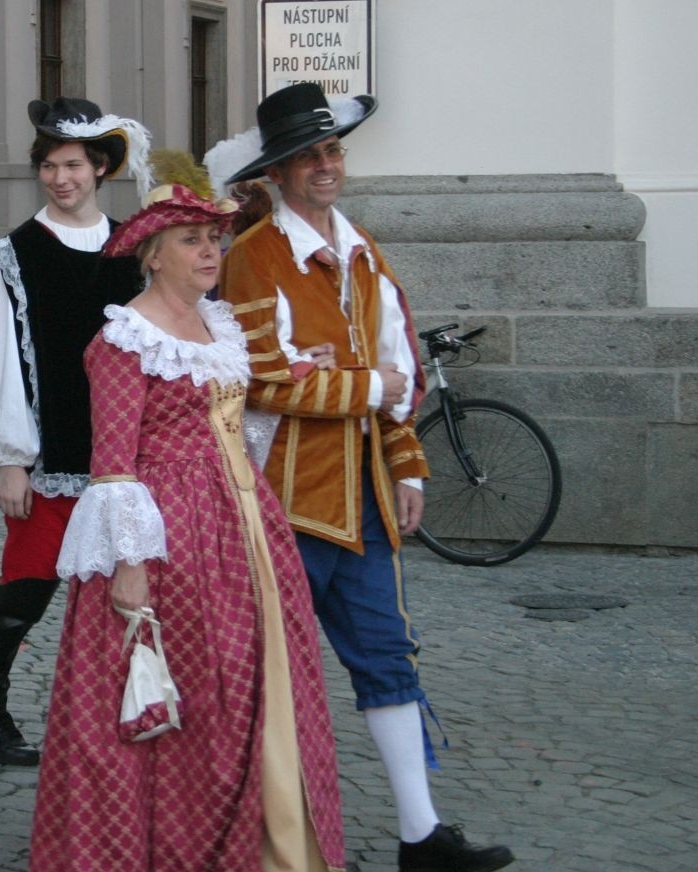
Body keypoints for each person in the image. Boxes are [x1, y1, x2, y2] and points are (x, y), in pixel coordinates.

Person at [218, 82, 514, 872]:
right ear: (278, 172)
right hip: (283, 503)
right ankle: (272, 841)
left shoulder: (364, 250)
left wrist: (408, 466)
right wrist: (366, 387)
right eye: (308, 155)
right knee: (271, 675)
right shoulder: (253, 257)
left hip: (367, 503)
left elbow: (399, 372)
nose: (326, 165)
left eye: (333, 150)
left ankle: (421, 836)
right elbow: (264, 382)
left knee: (387, 656)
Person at [30, 150, 344, 871]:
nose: (210, 252)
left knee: (251, 679)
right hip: (170, 538)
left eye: (215, 239)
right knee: (193, 692)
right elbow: (113, 464)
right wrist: (130, 569)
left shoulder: (216, 324)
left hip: (242, 524)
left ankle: (265, 841)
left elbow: (230, 411)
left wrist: (301, 368)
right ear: (152, 254)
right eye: (191, 240)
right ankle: (175, 848)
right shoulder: (124, 341)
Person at [0, 97, 148, 766]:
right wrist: (12, 458)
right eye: (49, 166)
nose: (61, 178)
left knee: (126, 587)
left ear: (99, 169)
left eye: (73, 166)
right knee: (28, 582)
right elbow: (2, 359)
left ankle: (127, 709)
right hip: (52, 453)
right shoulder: (15, 254)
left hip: (125, 453)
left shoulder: (134, 248)